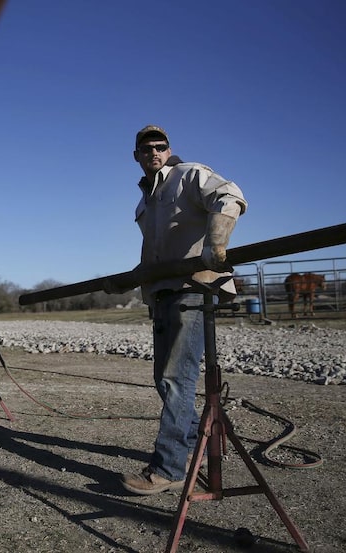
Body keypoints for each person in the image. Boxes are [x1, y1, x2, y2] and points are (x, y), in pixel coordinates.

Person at [120, 125, 247, 495]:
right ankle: (193, 447)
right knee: (164, 379)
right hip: (163, 292)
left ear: (169, 149)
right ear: (137, 156)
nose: (153, 153)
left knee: (177, 380)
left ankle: (169, 467)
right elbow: (157, 249)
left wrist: (218, 239)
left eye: (160, 147)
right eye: (146, 149)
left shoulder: (189, 174)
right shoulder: (144, 202)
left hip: (194, 288)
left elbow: (229, 195)